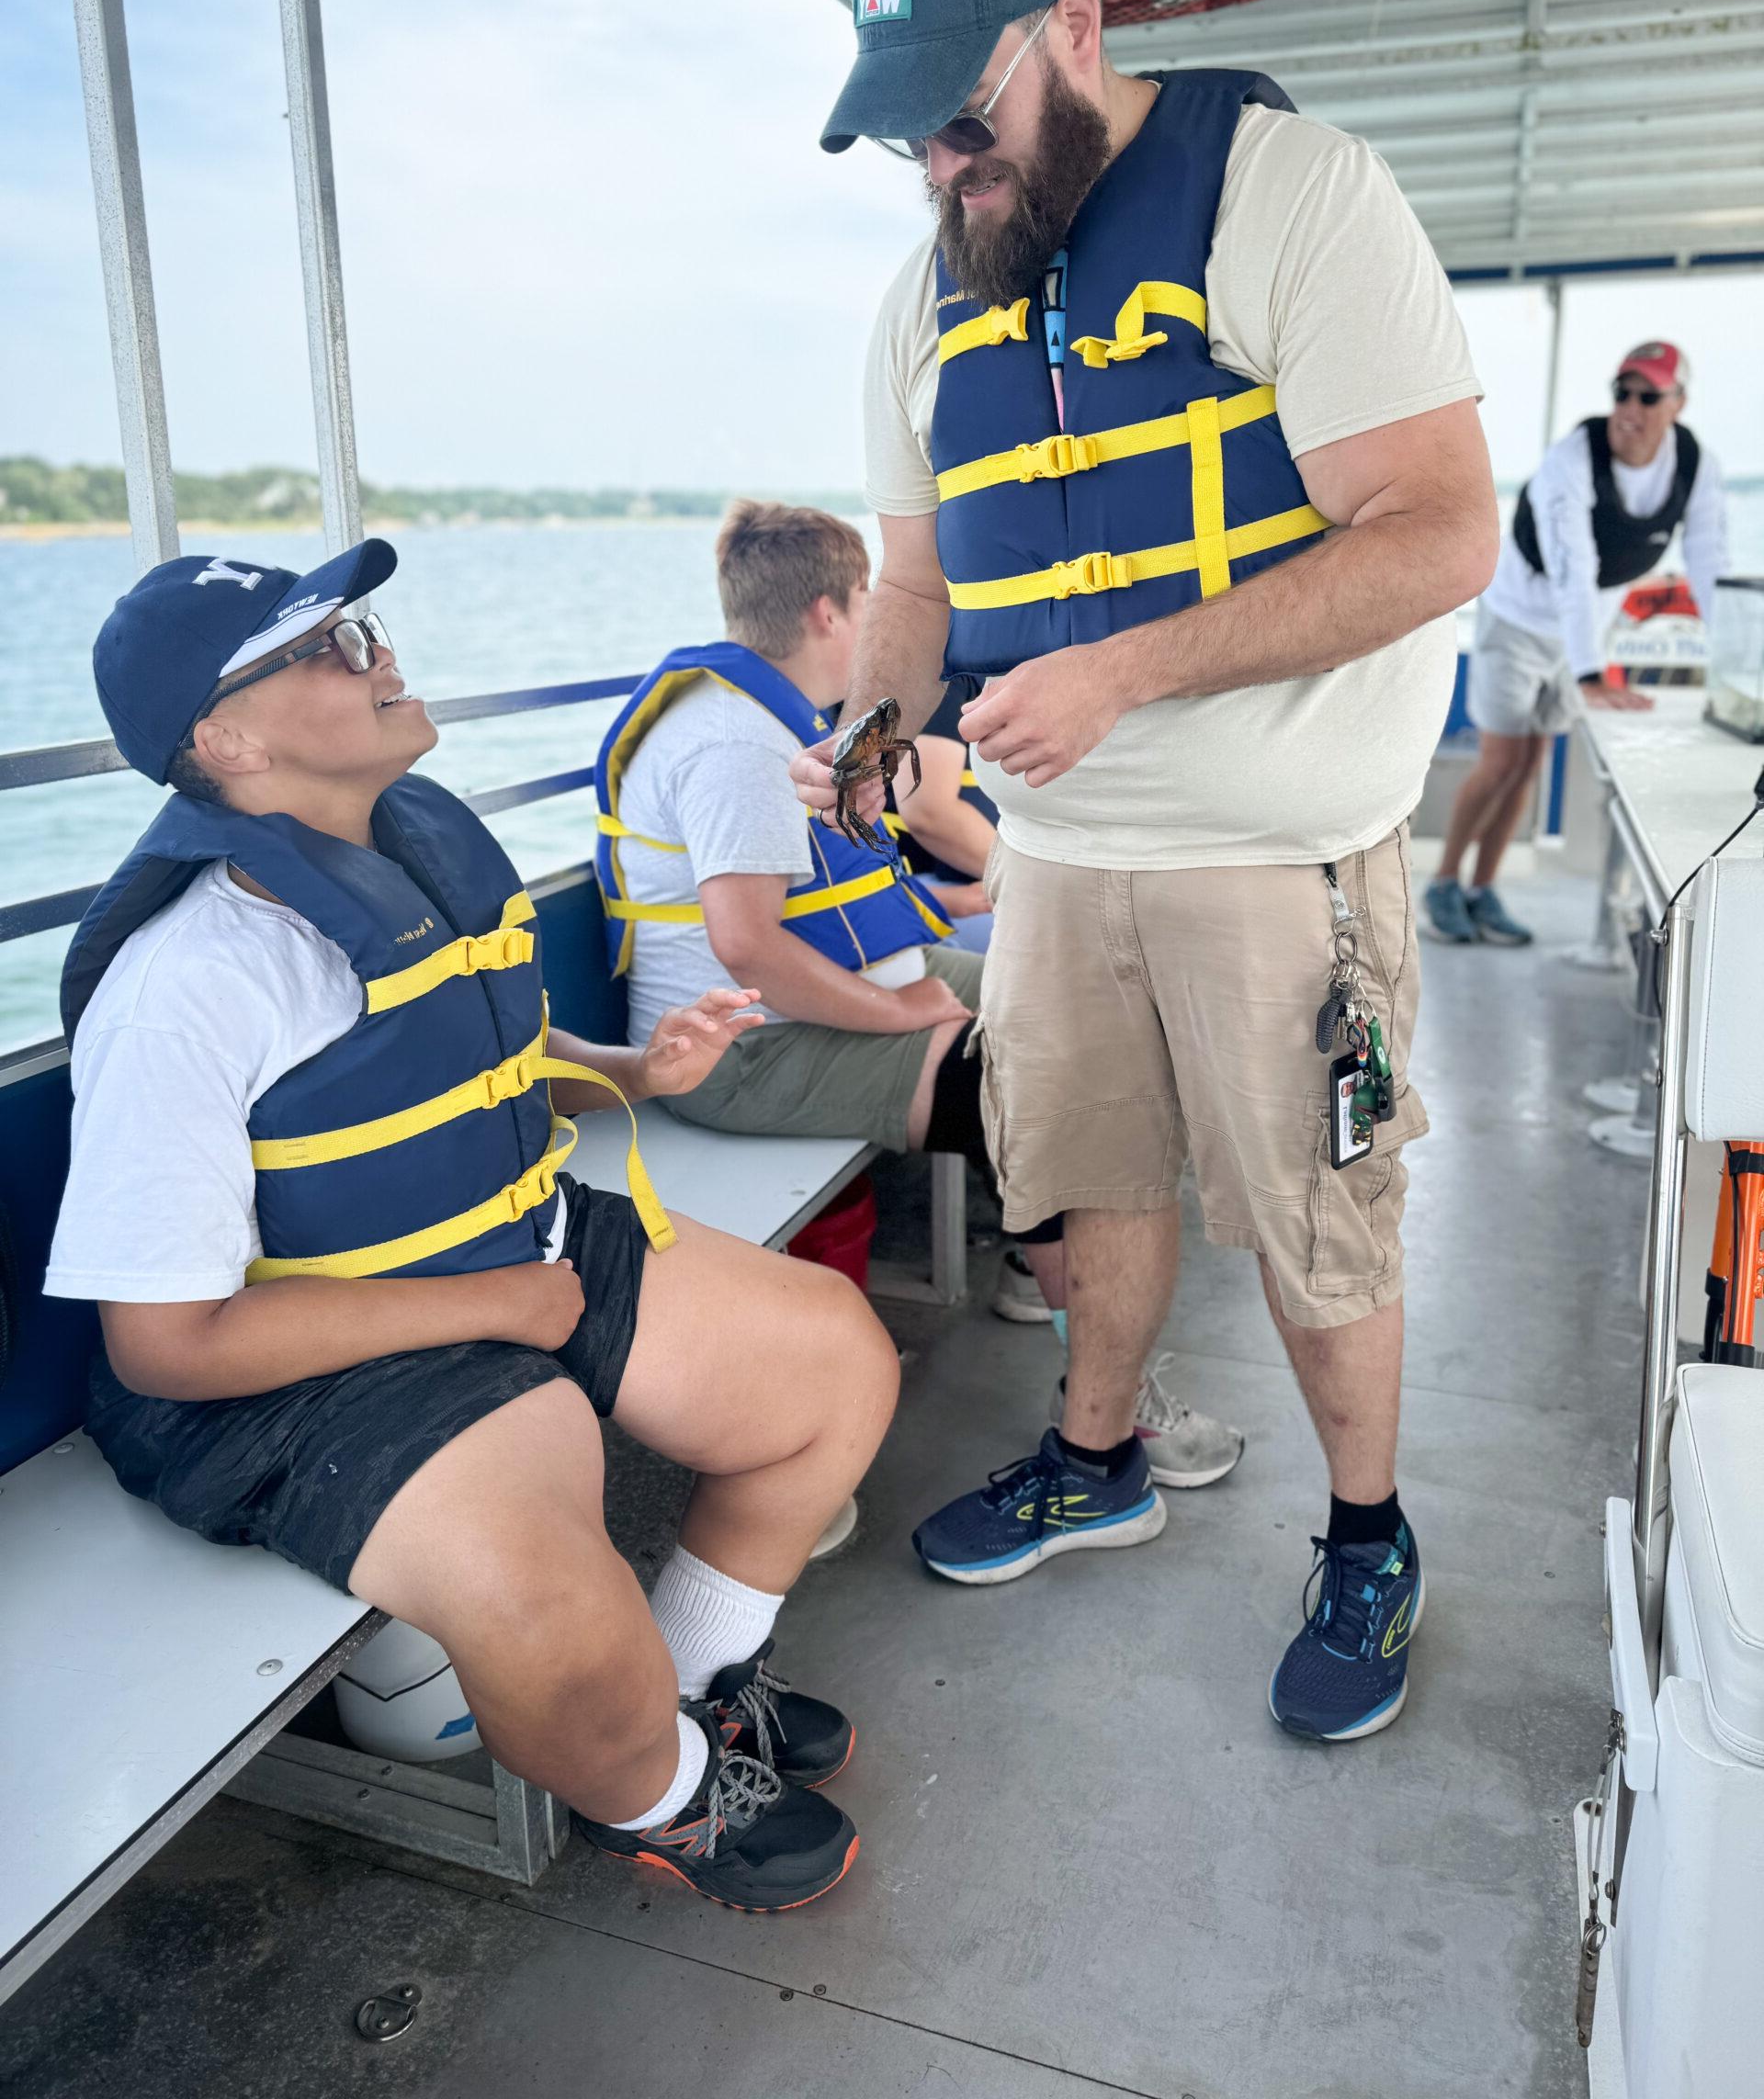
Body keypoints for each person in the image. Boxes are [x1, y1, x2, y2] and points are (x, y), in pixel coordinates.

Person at [798, 0, 1498, 1740]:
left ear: (1081, 30)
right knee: (1081, 1176)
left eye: (964, 120)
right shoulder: (922, 294)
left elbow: (1440, 534)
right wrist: (875, 726)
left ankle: (1368, 1530)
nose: (946, 174)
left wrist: (1125, 672)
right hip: (1057, 862)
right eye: (909, 142)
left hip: (1277, 854)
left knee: (1314, 1215)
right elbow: (919, 586)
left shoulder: (1298, 197)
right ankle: (1094, 1454)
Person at [45, 541, 903, 1912]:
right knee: (557, 1610)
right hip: (287, 1370)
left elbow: (461, 1041)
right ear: (226, 740)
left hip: (509, 1245)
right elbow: (163, 1344)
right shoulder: (190, 979)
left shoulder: (416, 849)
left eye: (362, 625)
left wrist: (636, 1073)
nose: (375, 652)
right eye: (324, 646)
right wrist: (495, 1310)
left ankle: (679, 1688)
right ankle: (667, 1796)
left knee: (831, 1364)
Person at [596, 498, 1243, 1478]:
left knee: (1085, 1015)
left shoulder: (796, 725)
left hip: (837, 989)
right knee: (1036, 1087)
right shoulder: (735, 742)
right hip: (746, 1050)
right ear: (828, 612)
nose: (881, 620)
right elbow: (748, 949)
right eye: (871, 598)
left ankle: (1045, 1273)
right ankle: (1105, 1399)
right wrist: (898, 1012)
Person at [1429, 341, 1729, 946]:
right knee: (1500, 762)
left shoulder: (1694, 465)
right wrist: (1594, 676)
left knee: (1532, 765)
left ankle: (1484, 891)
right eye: (1623, 391)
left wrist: (1731, 663)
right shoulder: (1574, 458)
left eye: (1649, 395)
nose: (1631, 407)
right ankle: (1443, 883)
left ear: (1678, 404)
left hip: (1581, 629)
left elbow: (1708, 561)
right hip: (1518, 617)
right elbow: (1574, 566)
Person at [885, 672, 997, 954]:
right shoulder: (945, 672)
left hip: (984, 886)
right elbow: (930, 814)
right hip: (935, 891)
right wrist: (1033, 878)